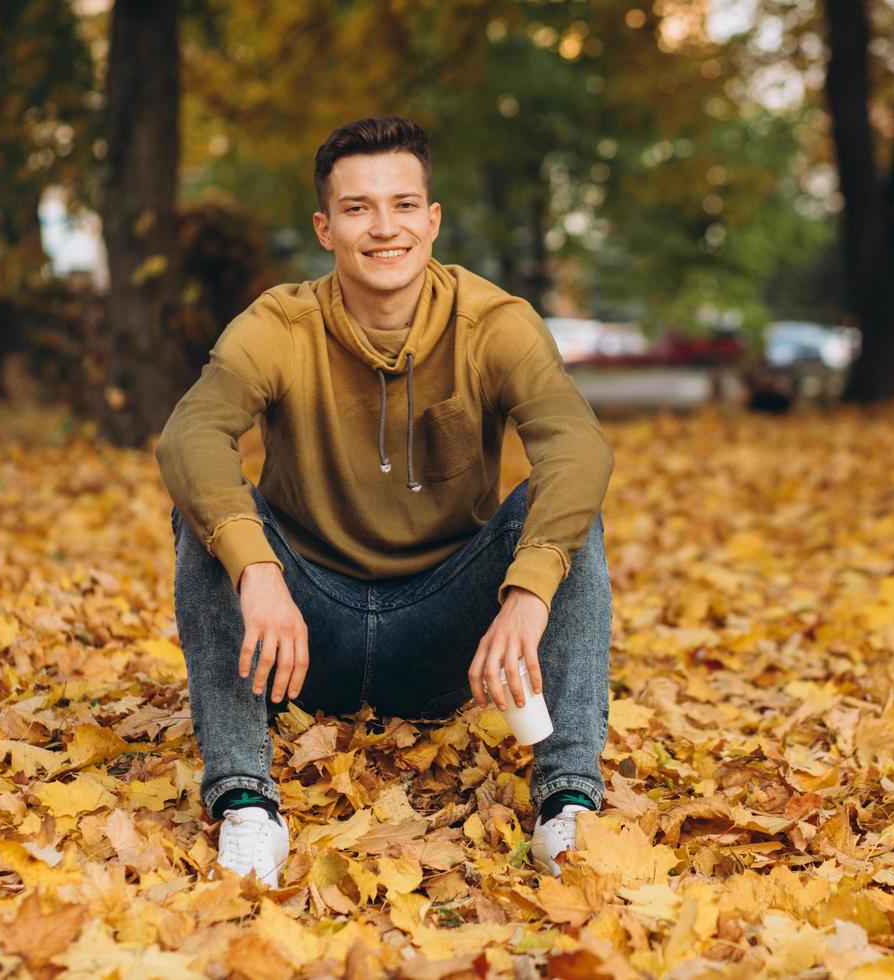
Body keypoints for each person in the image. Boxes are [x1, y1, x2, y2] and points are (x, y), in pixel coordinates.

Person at [155, 117, 615, 887]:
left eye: (403, 205)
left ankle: (567, 802)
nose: (383, 227)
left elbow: (578, 446)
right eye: (359, 208)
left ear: (432, 221)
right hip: (304, 637)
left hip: (447, 636)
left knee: (567, 505)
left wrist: (529, 593)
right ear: (325, 227)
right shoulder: (279, 324)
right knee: (208, 513)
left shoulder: (494, 322)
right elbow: (190, 436)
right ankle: (245, 802)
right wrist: (257, 571)